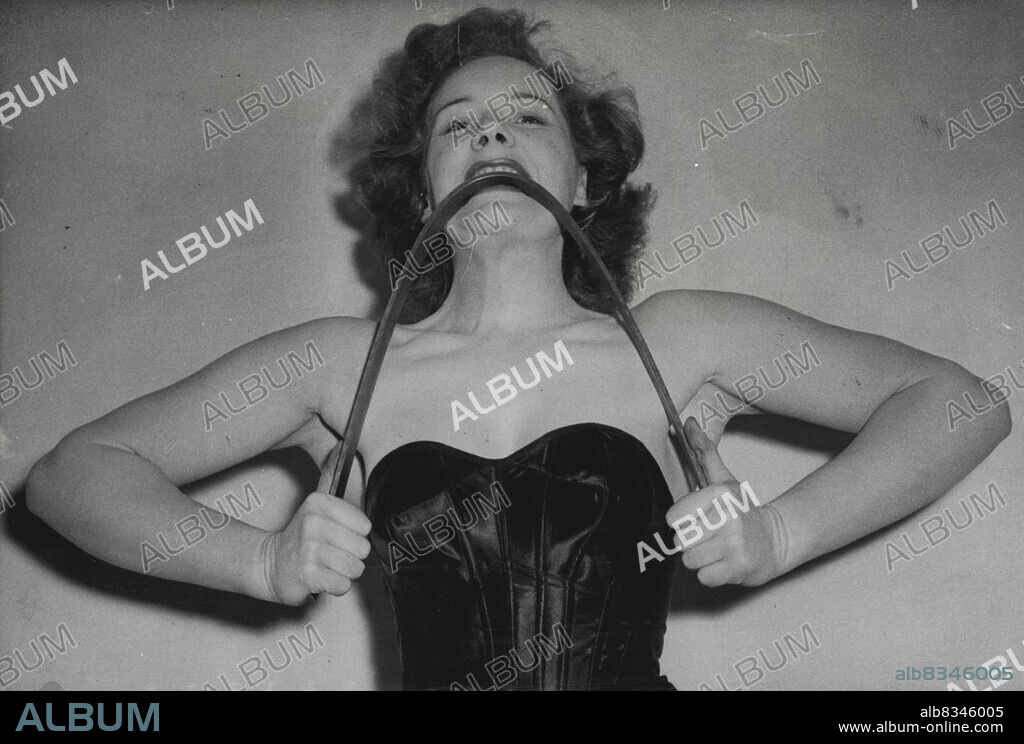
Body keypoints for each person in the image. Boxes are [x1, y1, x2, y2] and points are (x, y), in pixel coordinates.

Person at [25, 8, 1010, 690]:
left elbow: (961, 403)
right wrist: (260, 563)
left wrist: (777, 539)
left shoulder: (677, 340)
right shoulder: (340, 365)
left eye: (526, 117)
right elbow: (72, 476)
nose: (491, 135)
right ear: (421, 194)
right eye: (458, 125)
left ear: (583, 181)